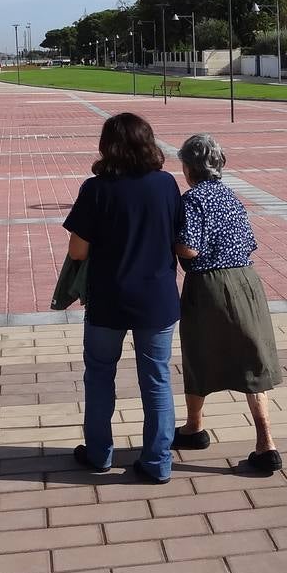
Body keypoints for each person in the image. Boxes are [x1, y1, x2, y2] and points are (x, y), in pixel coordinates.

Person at [63, 112, 184, 484]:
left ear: (107, 145)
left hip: (109, 298)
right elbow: (178, 237)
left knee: (100, 375)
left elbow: (78, 251)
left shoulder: (96, 189)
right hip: (157, 298)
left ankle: (99, 453)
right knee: (157, 379)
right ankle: (158, 462)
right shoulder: (166, 184)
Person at [171, 133, 284, 473]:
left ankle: (194, 426)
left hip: (209, 286)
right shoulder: (232, 197)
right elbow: (249, 241)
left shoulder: (192, 200)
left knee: (198, 354)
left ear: (190, 167)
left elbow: (189, 249)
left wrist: (170, 242)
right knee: (253, 357)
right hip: (246, 281)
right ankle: (266, 443)